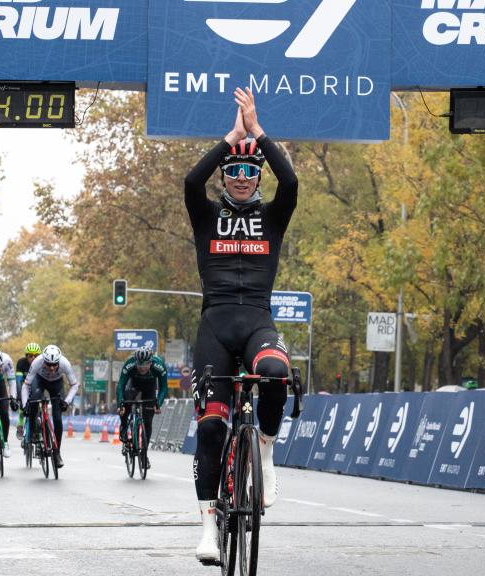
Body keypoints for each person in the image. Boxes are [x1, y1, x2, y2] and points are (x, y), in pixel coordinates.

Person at [184, 87, 297, 561]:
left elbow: (289, 181)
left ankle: (266, 453)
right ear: (225, 177)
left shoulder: (273, 216)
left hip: (256, 323)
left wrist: (258, 132)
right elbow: (192, 181)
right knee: (211, 429)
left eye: (251, 172)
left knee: (275, 374)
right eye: (235, 172)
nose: (243, 179)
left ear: (258, 178)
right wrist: (230, 139)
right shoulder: (206, 216)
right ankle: (208, 528)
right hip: (214, 326)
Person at [22, 345, 79, 469]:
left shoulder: (65, 364)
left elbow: (75, 385)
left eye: (55, 365)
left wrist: (67, 401)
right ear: (44, 361)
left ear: (59, 361)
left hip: (57, 384)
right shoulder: (37, 362)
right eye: (48, 364)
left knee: (58, 419)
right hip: (40, 380)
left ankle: (57, 453)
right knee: (34, 400)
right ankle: (32, 431)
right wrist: (25, 404)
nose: (52, 368)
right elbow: (26, 385)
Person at [116, 347, 168, 468]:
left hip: (150, 387)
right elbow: (121, 385)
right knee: (125, 407)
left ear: (150, 362)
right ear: (136, 362)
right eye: (140, 366)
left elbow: (164, 387)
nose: (142, 368)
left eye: (145, 365)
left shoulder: (159, 366)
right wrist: (121, 404)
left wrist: (158, 404)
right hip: (133, 385)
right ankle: (124, 428)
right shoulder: (129, 364)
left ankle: (144, 454)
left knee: (148, 420)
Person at [15, 342, 41, 441]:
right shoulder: (21, 363)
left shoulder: (42, 363)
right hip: (24, 386)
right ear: (26, 356)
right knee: (23, 406)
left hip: (37, 387)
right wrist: (19, 395)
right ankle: (20, 426)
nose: (33, 358)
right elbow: (18, 381)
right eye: (30, 356)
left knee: (38, 408)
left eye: (36, 356)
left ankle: (40, 430)